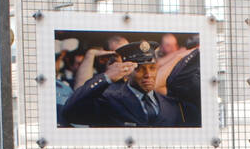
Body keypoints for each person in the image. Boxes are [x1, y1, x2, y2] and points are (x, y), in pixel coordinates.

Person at [61, 40, 192, 127]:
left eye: (152, 68)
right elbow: (71, 112)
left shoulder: (172, 106)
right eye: (139, 69)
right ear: (127, 72)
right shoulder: (109, 100)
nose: (148, 74)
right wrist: (106, 77)